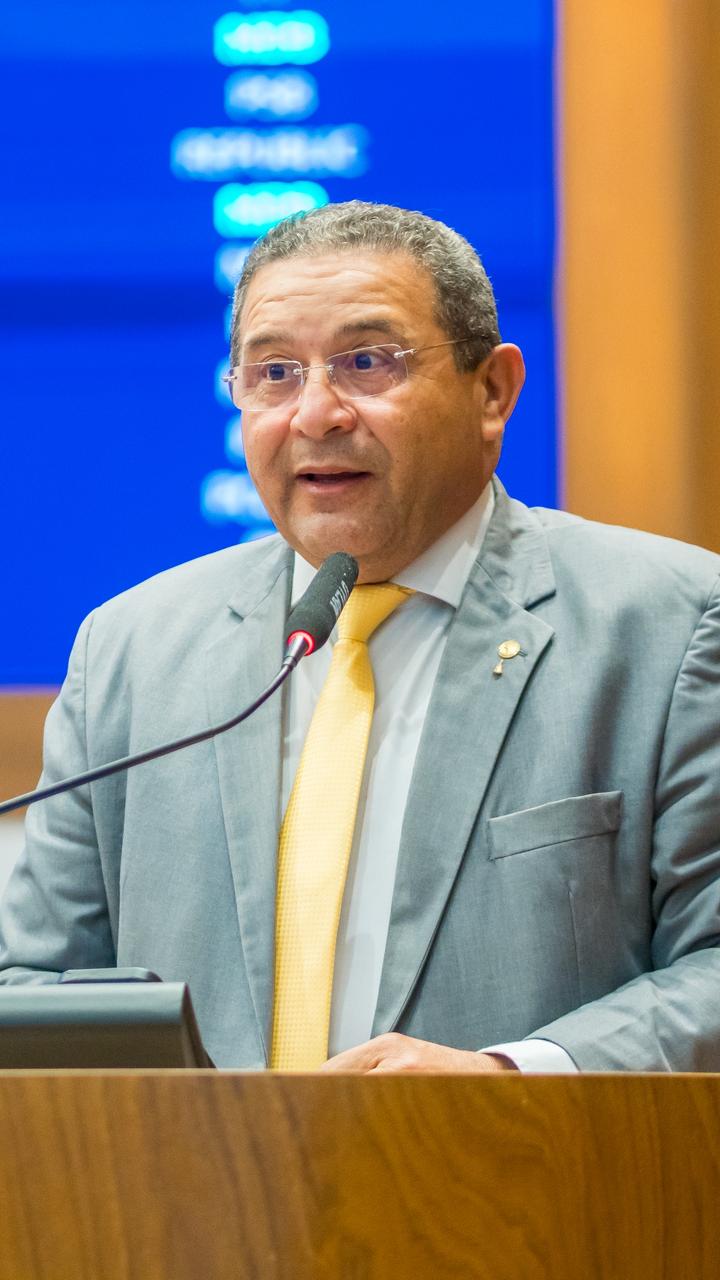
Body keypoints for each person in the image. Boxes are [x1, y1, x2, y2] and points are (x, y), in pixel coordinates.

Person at [2, 200, 720, 1074]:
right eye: (273, 373)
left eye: (368, 362)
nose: (316, 413)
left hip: (524, 1161)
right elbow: (31, 987)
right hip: (201, 1170)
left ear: (492, 392)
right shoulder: (130, 652)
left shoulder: (672, 625)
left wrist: (513, 1076)